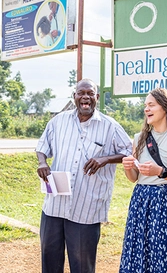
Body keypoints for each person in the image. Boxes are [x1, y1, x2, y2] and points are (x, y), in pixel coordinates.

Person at [36, 79, 133, 273]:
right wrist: (42, 163)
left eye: (90, 93)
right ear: (75, 97)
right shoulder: (58, 121)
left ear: (96, 97)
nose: (85, 97)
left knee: (82, 264)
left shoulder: (110, 126)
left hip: (86, 208)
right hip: (55, 204)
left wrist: (105, 159)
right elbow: (42, 147)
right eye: (81, 93)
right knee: (49, 255)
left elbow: (129, 152)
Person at [119, 88, 167, 273]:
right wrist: (128, 167)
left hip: (166, 204)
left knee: (161, 253)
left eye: (151, 105)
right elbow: (134, 178)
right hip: (140, 202)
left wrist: (161, 172)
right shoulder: (140, 138)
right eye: (145, 105)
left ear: (166, 107)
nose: (146, 109)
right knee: (138, 251)